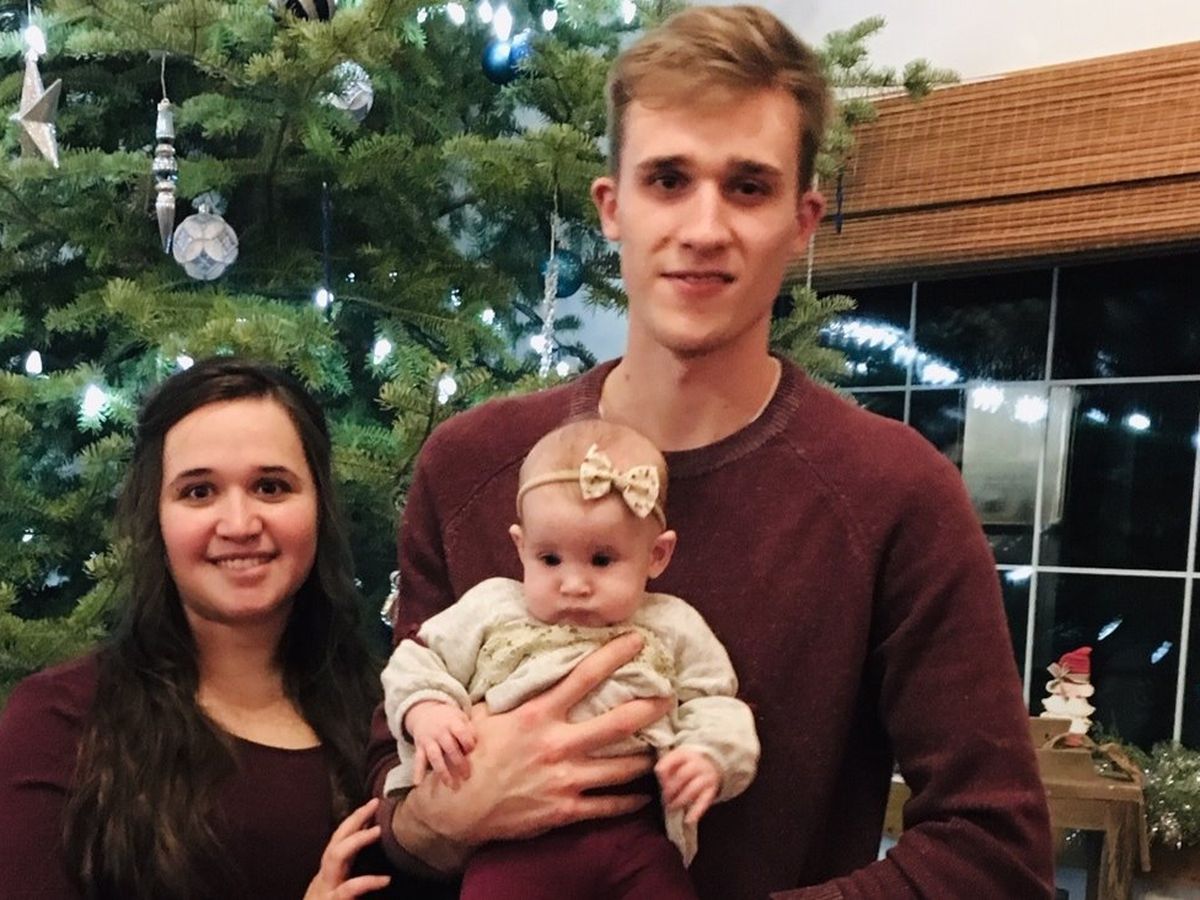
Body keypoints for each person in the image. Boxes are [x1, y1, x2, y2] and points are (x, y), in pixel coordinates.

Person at [367, 5, 1055, 899]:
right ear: (612, 208)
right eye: (667, 179)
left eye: (747, 187)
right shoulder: (469, 468)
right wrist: (442, 817)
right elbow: (390, 814)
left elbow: (995, 851)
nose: (703, 227)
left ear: (802, 221)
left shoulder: (894, 493)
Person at [0, 358, 389, 900]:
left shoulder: (390, 718)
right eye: (199, 492)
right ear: (155, 517)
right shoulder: (60, 723)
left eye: (271, 487)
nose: (240, 524)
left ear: (319, 507)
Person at [381, 419, 759, 898]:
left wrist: (709, 757)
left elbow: (716, 702)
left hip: (635, 831)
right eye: (550, 559)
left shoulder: (673, 623)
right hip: (509, 840)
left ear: (657, 555)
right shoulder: (493, 607)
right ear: (521, 547)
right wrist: (426, 709)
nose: (574, 585)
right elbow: (417, 661)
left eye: (602, 560)